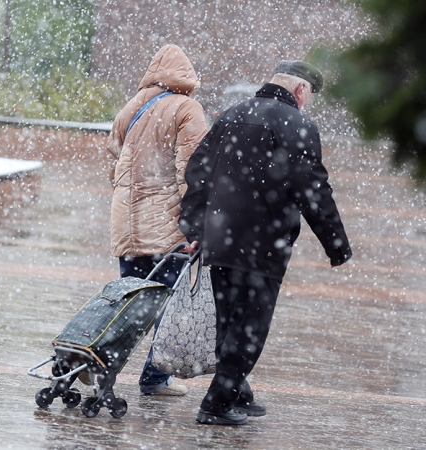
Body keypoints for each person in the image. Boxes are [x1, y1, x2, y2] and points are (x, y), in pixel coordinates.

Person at [179, 60, 353, 425]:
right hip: (262, 245)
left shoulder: (231, 114)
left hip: (220, 239)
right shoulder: (297, 124)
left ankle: (237, 391)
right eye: (309, 97)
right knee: (250, 329)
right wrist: (336, 244)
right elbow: (313, 189)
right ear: (301, 90)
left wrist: (194, 229)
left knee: (229, 322)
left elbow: (197, 171)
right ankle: (216, 404)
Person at [106, 44, 208, 396]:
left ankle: (102, 365)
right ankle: (154, 378)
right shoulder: (187, 108)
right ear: (187, 77)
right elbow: (193, 171)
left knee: (131, 305)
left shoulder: (129, 109)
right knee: (167, 306)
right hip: (167, 229)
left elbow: (114, 166)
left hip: (126, 227)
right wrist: (196, 224)